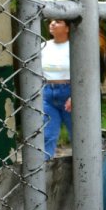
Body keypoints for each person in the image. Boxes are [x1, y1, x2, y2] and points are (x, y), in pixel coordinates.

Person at [41, 19, 73, 160]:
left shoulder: (75, 46)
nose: (52, 24)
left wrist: (75, 96)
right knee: (48, 135)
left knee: (78, 134)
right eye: (51, 21)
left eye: (58, 21)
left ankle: (84, 167)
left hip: (69, 92)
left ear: (67, 28)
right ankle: (45, 168)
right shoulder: (43, 46)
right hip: (47, 92)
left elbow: (84, 73)